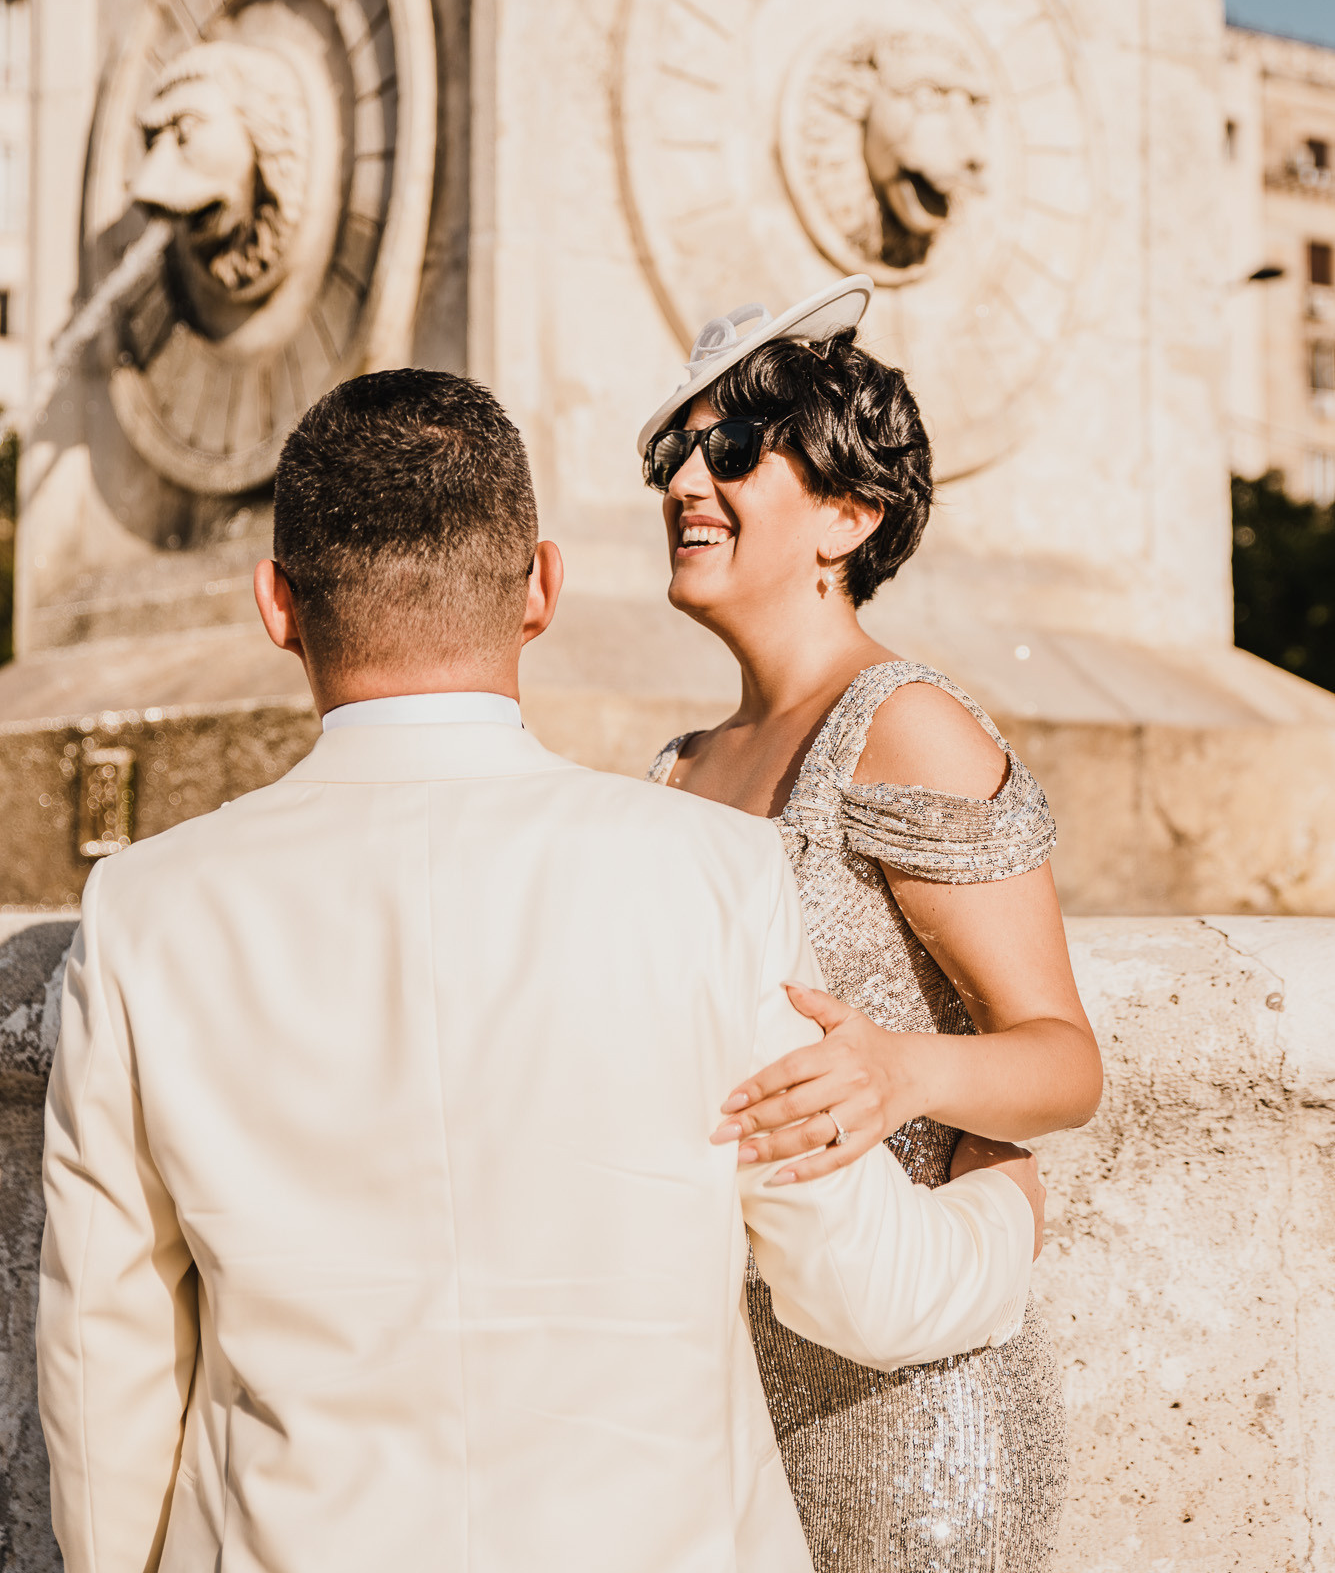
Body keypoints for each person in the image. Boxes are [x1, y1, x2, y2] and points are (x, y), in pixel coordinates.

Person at [37, 368, 1044, 1573]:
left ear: (276, 604)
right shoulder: (710, 871)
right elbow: (861, 1287)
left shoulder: (146, 906)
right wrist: (1002, 1199)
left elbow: (107, 1360)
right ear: (543, 590)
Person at [640, 276, 1103, 1572]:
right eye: (674, 452)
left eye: (731, 451)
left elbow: (1063, 1061)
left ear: (846, 514)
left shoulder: (904, 725)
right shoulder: (675, 767)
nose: (684, 481)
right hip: (725, 1410)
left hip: (915, 1408)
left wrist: (903, 1068)